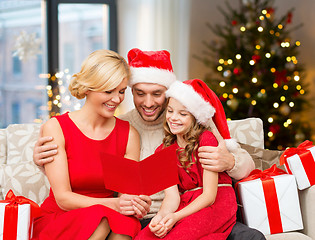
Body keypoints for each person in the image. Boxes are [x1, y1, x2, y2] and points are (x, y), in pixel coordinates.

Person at [33, 48, 265, 239]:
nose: (148, 102)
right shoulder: (124, 126)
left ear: (169, 92)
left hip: (194, 210)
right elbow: (108, 182)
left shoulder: (191, 120)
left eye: (157, 93)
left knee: (250, 237)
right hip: (148, 218)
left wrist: (230, 161)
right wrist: (42, 161)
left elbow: (246, 165)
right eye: (139, 93)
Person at [32, 49, 145, 240]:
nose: (117, 99)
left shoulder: (129, 134)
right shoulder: (56, 128)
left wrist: (134, 203)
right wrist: (116, 205)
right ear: (87, 88)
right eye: (108, 91)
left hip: (109, 215)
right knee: (100, 220)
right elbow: (63, 199)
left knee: (125, 223)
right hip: (62, 217)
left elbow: (125, 194)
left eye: (122, 91)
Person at [135, 79, 238, 240]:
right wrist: (161, 217)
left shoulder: (206, 139)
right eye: (170, 111)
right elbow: (172, 197)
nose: (173, 118)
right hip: (185, 203)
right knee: (145, 237)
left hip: (215, 203)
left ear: (195, 117)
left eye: (183, 114)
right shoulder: (161, 151)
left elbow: (209, 196)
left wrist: (176, 217)